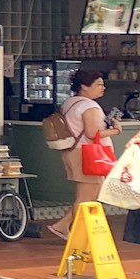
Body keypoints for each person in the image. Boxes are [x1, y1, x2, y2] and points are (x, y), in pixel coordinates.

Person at [48, 69, 121, 239]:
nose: (103, 88)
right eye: (98, 84)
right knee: (86, 197)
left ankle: (63, 226)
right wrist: (116, 130)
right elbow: (92, 133)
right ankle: (78, 236)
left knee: (86, 194)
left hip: (73, 151)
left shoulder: (70, 103)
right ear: (84, 87)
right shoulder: (90, 106)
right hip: (87, 154)